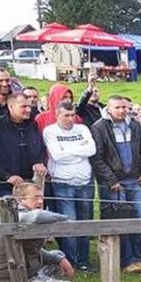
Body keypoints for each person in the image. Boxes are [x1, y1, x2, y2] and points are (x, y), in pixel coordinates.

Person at [0, 182, 85, 282]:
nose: (40, 201)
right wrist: (65, 219)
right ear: (20, 200)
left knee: (55, 258)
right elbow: (35, 216)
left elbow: (34, 251)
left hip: (17, 273)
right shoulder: (17, 215)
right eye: (35, 197)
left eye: (41, 198)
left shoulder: (21, 214)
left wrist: (58, 258)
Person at [90, 95, 141, 273]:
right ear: (109, 109)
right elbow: (97, 157)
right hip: (115, 183)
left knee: (139, 219)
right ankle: (126, 260)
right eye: (118, 107)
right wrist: (111, 180)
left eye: (124, 107)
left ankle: (137, 258)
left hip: (134, 180)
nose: (122, 111)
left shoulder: (134, 125)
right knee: (121, 221)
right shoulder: (99, 127)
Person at [42, 100, 97, 270]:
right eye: (66, 115)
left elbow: (92, 150)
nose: (70, 119)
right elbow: (57, 155)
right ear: (57, 115)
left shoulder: (83, 129)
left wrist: (69, 150)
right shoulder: (50, 131)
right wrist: (79, 151)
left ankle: (83, 260)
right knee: (69, 221)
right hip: (63, 183)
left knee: (85, 221)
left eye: (72, 115)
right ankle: (70, 260)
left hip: (85, 181)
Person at [0, 92, 47, 198]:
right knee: (12, 213)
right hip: (7, 185)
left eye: (29, 106)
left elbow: (41, 148)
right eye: (23, 106)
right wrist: (6, 176)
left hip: (32, 183)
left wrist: (39, 162)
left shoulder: (33, 124)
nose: (28, 110)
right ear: (11, 106)